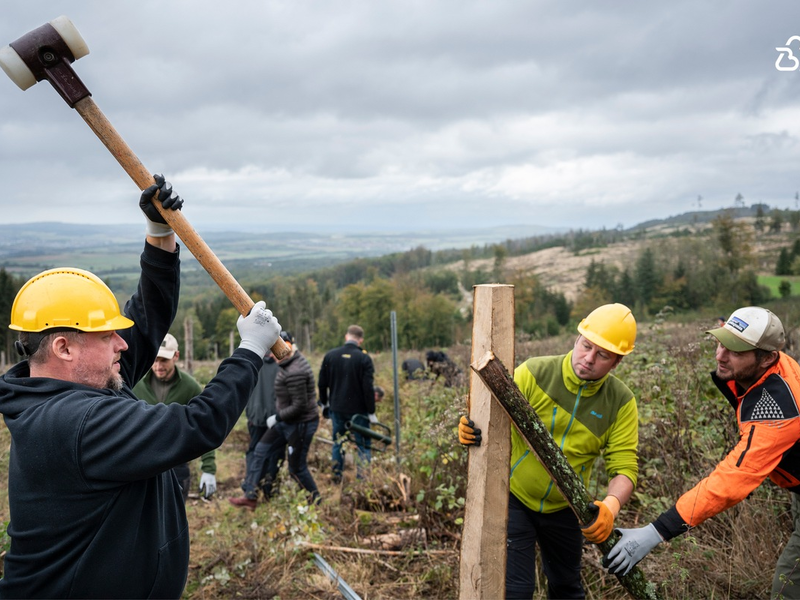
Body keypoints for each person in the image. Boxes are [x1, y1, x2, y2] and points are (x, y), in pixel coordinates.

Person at [0, 175, 282, 598]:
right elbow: (197, 425)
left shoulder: (81, 387)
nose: (122, 344)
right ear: (63, 347)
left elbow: (146, 319)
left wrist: (160, 233)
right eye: (106, 336)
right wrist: (250, 351)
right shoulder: (75, 422)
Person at [606, 306, 800, 599]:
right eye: (721, 342)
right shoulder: (771, 365)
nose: (720, 355)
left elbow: (732, 479)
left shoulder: (777, 411)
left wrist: (657, 531)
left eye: (735, 350)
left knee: (787, 587)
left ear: (767, 358)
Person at [459, 303, 639, 599]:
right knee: (517, 591)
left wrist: (611, 506)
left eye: (603, 354)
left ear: (617, 361)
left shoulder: (620, 402)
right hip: (515, 498)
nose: (589, 358)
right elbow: (488, 413)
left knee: (566, 588)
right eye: (586, 346)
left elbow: (624, 467)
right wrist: (468, 426)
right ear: (576, 339)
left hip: (568, 507)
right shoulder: (535, 372)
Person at [230, 331, 320, 507]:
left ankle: (316, 501)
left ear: (288, 347)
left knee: (296, 468)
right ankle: (251, 494)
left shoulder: (295, 371)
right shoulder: (287, 364)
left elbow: (299, 406)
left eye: (278, 350)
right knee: (260, 449)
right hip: (285, 421)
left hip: (299, 424)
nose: (273, 355)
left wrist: (277, 416)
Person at [133, 333, 218, 501]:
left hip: (176, 464)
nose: (158, 366)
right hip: (143, 463)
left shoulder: (189, 387)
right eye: (155, 360)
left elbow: (204, 425)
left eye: (164, 360)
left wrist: (208, 468)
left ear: (176, 356)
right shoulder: (137, 386)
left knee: (174, 519)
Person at [318, 324, 376, 482]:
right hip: (360, 411)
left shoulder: (330, 356)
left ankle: (337, 476)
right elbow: (368, 388)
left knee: (338, 442)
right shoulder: (364, 358)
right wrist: (371, 411)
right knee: (363, 445)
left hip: (337, 408)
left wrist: (324, 403)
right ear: (361, 340)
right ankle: (362, 481)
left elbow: (322, 383)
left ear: (346, 337)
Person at [239, 347, 281, 497]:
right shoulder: (280, 366)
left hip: (255, 416)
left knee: (255, 451)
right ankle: (265, 487)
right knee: (270, 452)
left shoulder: (252, 363)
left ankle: (252, 486)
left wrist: (249, 412)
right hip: (272, 418)